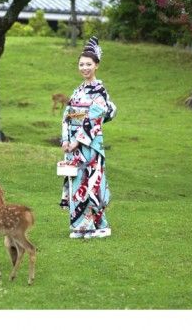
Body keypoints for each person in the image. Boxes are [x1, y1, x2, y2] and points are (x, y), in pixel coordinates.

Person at [59, 36, 117, 239]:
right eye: (81, 64)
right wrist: (65, 139)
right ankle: (81, 226)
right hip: (74, 144)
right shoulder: (78, 91)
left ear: (96, 66)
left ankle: (100, 225)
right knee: (77, 182)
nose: (84, 68)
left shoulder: (99, 91)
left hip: (90, 144)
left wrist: (77, 140)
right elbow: (67, 115)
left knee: (92, 182)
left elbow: (94, 118)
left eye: (88, 64)